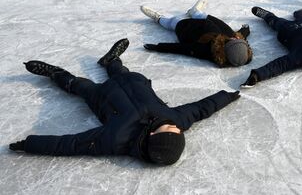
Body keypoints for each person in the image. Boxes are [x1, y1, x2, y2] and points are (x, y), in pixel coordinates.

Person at [9, 39, 240, 165]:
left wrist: (28, 144)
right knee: (120, 71)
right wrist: (227, 96)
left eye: (171, 130)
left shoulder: (116, 140)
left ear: (153, 136)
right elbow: (201, 109)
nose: (176, 127)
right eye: (178, 130)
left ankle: (56, 74)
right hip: (134, 83)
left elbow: (70, 144)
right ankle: (111, 60)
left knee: (80, 85)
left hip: (102, 98)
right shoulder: (177, 120)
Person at [140, 0, 253, 67]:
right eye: (239, 41)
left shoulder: (205, 50)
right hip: (207, 23)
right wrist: (245, 30)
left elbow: (182, 48)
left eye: (234, 41)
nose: (236, 39)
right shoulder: (236, 43)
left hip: (187, 29)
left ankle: (159, 18)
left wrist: (158, 47)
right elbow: (241, 37)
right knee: (228, 30)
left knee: (173, 22)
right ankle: (195, 12)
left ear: (226, 49)